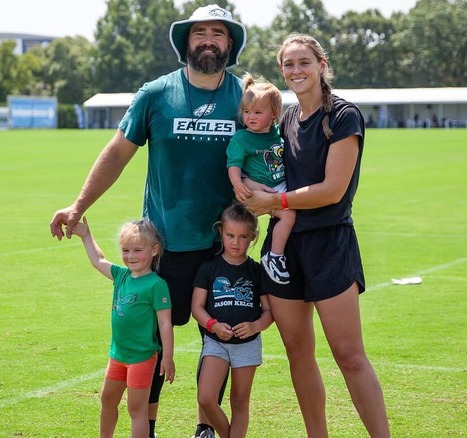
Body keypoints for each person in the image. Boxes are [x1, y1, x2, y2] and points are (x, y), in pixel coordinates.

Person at [49, 5, 247, 437]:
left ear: (230, 44)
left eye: (218, 33)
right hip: (165, 245)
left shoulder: (244, 96)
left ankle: (205, 427)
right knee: (151, 341)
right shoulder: (155, 94)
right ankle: (150, 425)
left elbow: (268, 152)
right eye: (200, 34)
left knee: (219, 339)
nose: (208, 41)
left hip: (224, 246)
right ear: (186, 43)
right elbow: (118, 152)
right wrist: (78, 206)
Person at [240, 33, 390, 437]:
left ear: (322, 65)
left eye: (304, 62)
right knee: (297, 351)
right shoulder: (285, 118)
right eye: (288, 64)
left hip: (329, 244)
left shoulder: (343, 116)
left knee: (349, 355)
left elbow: (332, 190)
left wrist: (275, 203)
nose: (295, 71)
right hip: (284, 249)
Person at [71, 217, 175, 438]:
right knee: (108, 400)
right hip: (117, 356)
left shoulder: (156, 285)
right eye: (126, 250)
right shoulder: (121, 275)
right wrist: (86, 235)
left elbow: (165, 323)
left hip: (142, 358)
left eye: (138, 250)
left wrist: (168, 357)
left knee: (137, 410)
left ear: (154, 250)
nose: (131, 256)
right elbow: (98, 260)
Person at [191, 203, 273, 438]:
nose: (236, 242)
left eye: (243, 236)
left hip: (247, 345)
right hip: (216, 343)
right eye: (230, 235)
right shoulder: (208, 268)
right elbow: (196, 307)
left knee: (239, 401)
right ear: (221, 233)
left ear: (253, 237)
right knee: (206, 397)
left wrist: (255, 326)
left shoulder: (257, 271)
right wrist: (212, 326)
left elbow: (269, 313)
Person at [226, 73, 295, 285]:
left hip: (278, 185)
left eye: (257, 112)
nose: (250, 117)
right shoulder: (242, 138)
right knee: (288, 214)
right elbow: (233, 165)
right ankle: (275, 256)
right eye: (246, 112)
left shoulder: (278, 133)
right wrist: (238, 184)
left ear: (274, 114)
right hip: (256, 191)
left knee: (295, 209)